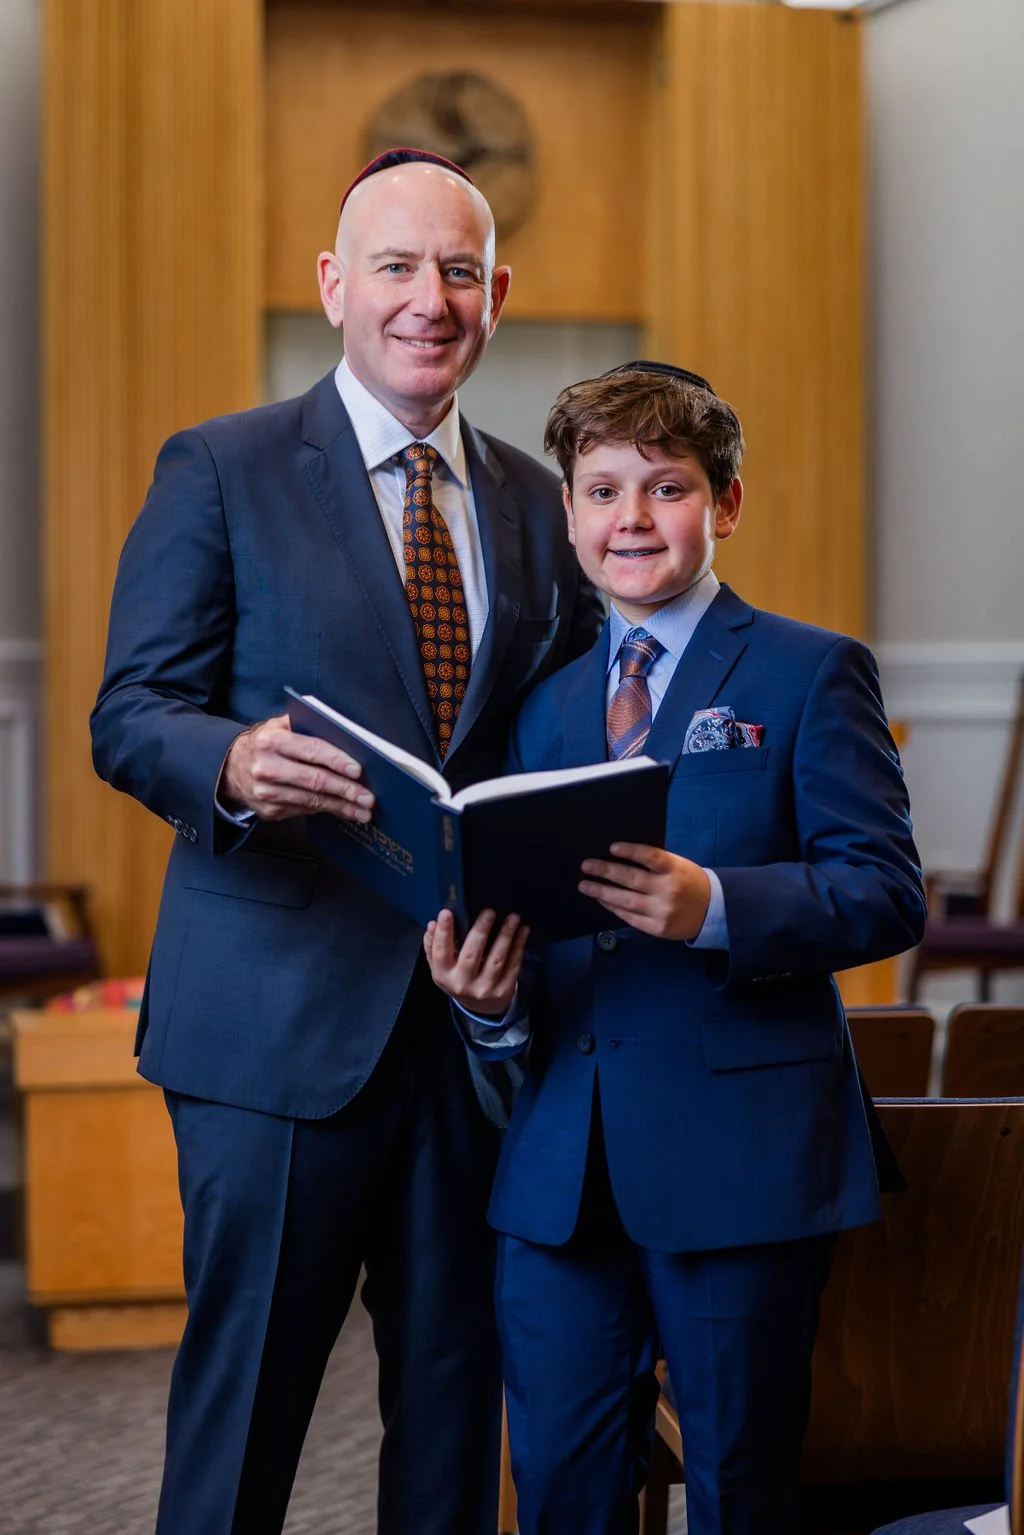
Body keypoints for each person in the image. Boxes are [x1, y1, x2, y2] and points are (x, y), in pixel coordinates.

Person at [90, 148, 603, 1535]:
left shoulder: (538, 503)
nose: (429, 297)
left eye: (458, 271)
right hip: (272, 1038)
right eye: (396, 265)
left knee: (453, 1421)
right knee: (245, 1421)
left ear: (497, 295)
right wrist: (231, 760)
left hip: (471, 1032)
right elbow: (129, 713)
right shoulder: (222, 466)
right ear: (334, 285)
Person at [425, 361, 927, 1535]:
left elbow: (885, 893)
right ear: (568, 514)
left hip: (739, 1159)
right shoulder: (542, 708)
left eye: (666, 487)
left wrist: (715, 904)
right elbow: (538, 932)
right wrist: (484, 998)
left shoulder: (810, 670)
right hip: (559, 1175)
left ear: (725, 503)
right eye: (602, 491)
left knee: (740, 1488)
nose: (632, 519)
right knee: (559, 1488)